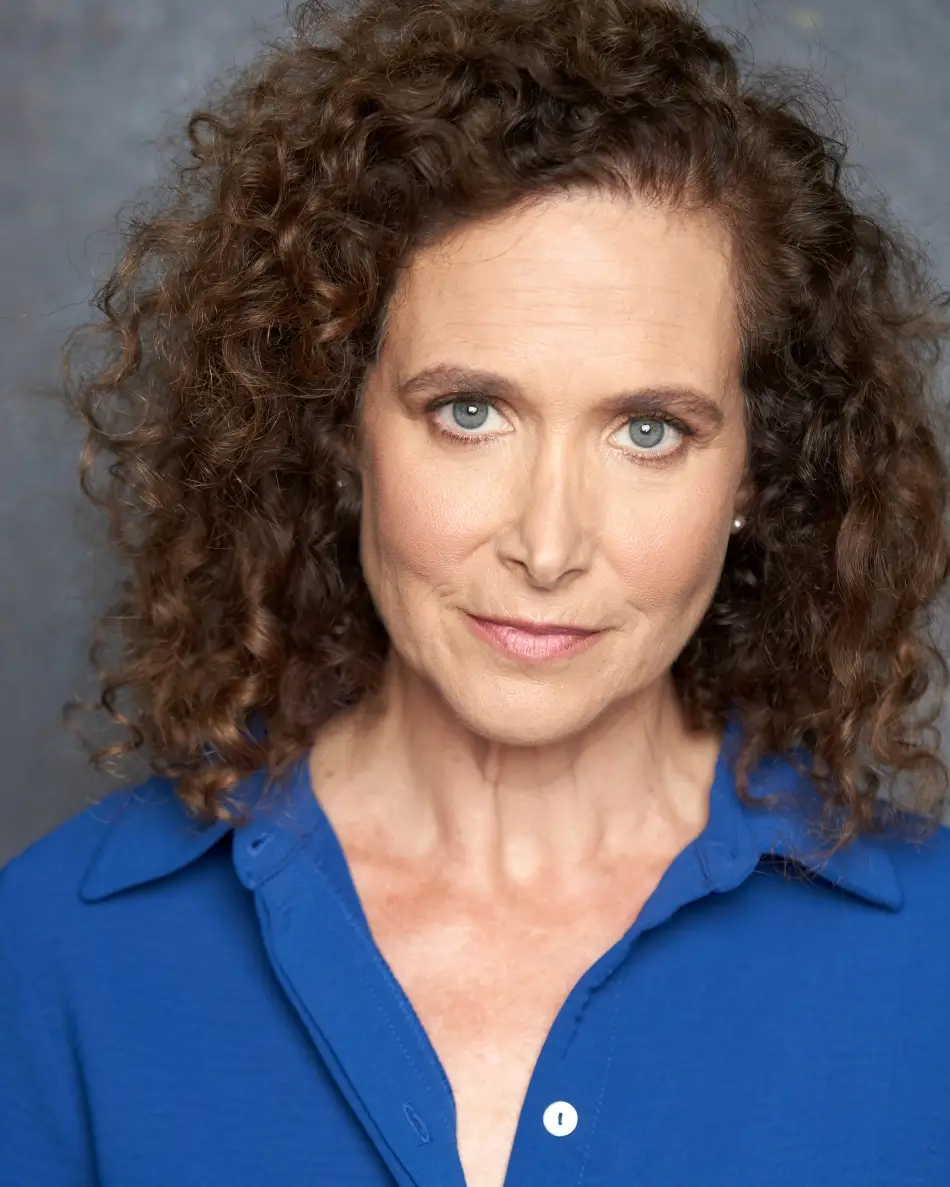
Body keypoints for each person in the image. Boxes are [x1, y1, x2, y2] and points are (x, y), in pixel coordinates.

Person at [3, 0, 950, 1183]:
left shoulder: (931, 966)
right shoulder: (55, 951)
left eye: (648, 429)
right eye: (469, 412)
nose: (546, 546)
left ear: (753, 471)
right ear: (340, 426)